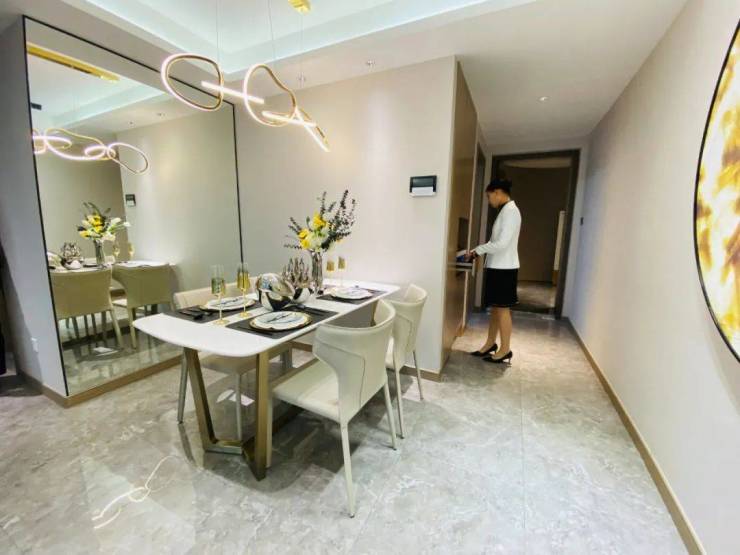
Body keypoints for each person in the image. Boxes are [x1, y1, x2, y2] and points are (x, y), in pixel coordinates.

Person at [466, 178, 521, 364]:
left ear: (498, 192)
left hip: (505, 269)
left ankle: (505, 350)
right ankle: (490, 343)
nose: (489, 201)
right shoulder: (505, 211)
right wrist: (477, 251)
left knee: (503, 310)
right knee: (497, 309)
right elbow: (495, 242)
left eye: (489, 196)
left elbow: (502, 244)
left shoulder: (511, 212)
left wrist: (478, 250)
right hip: (498, 267)